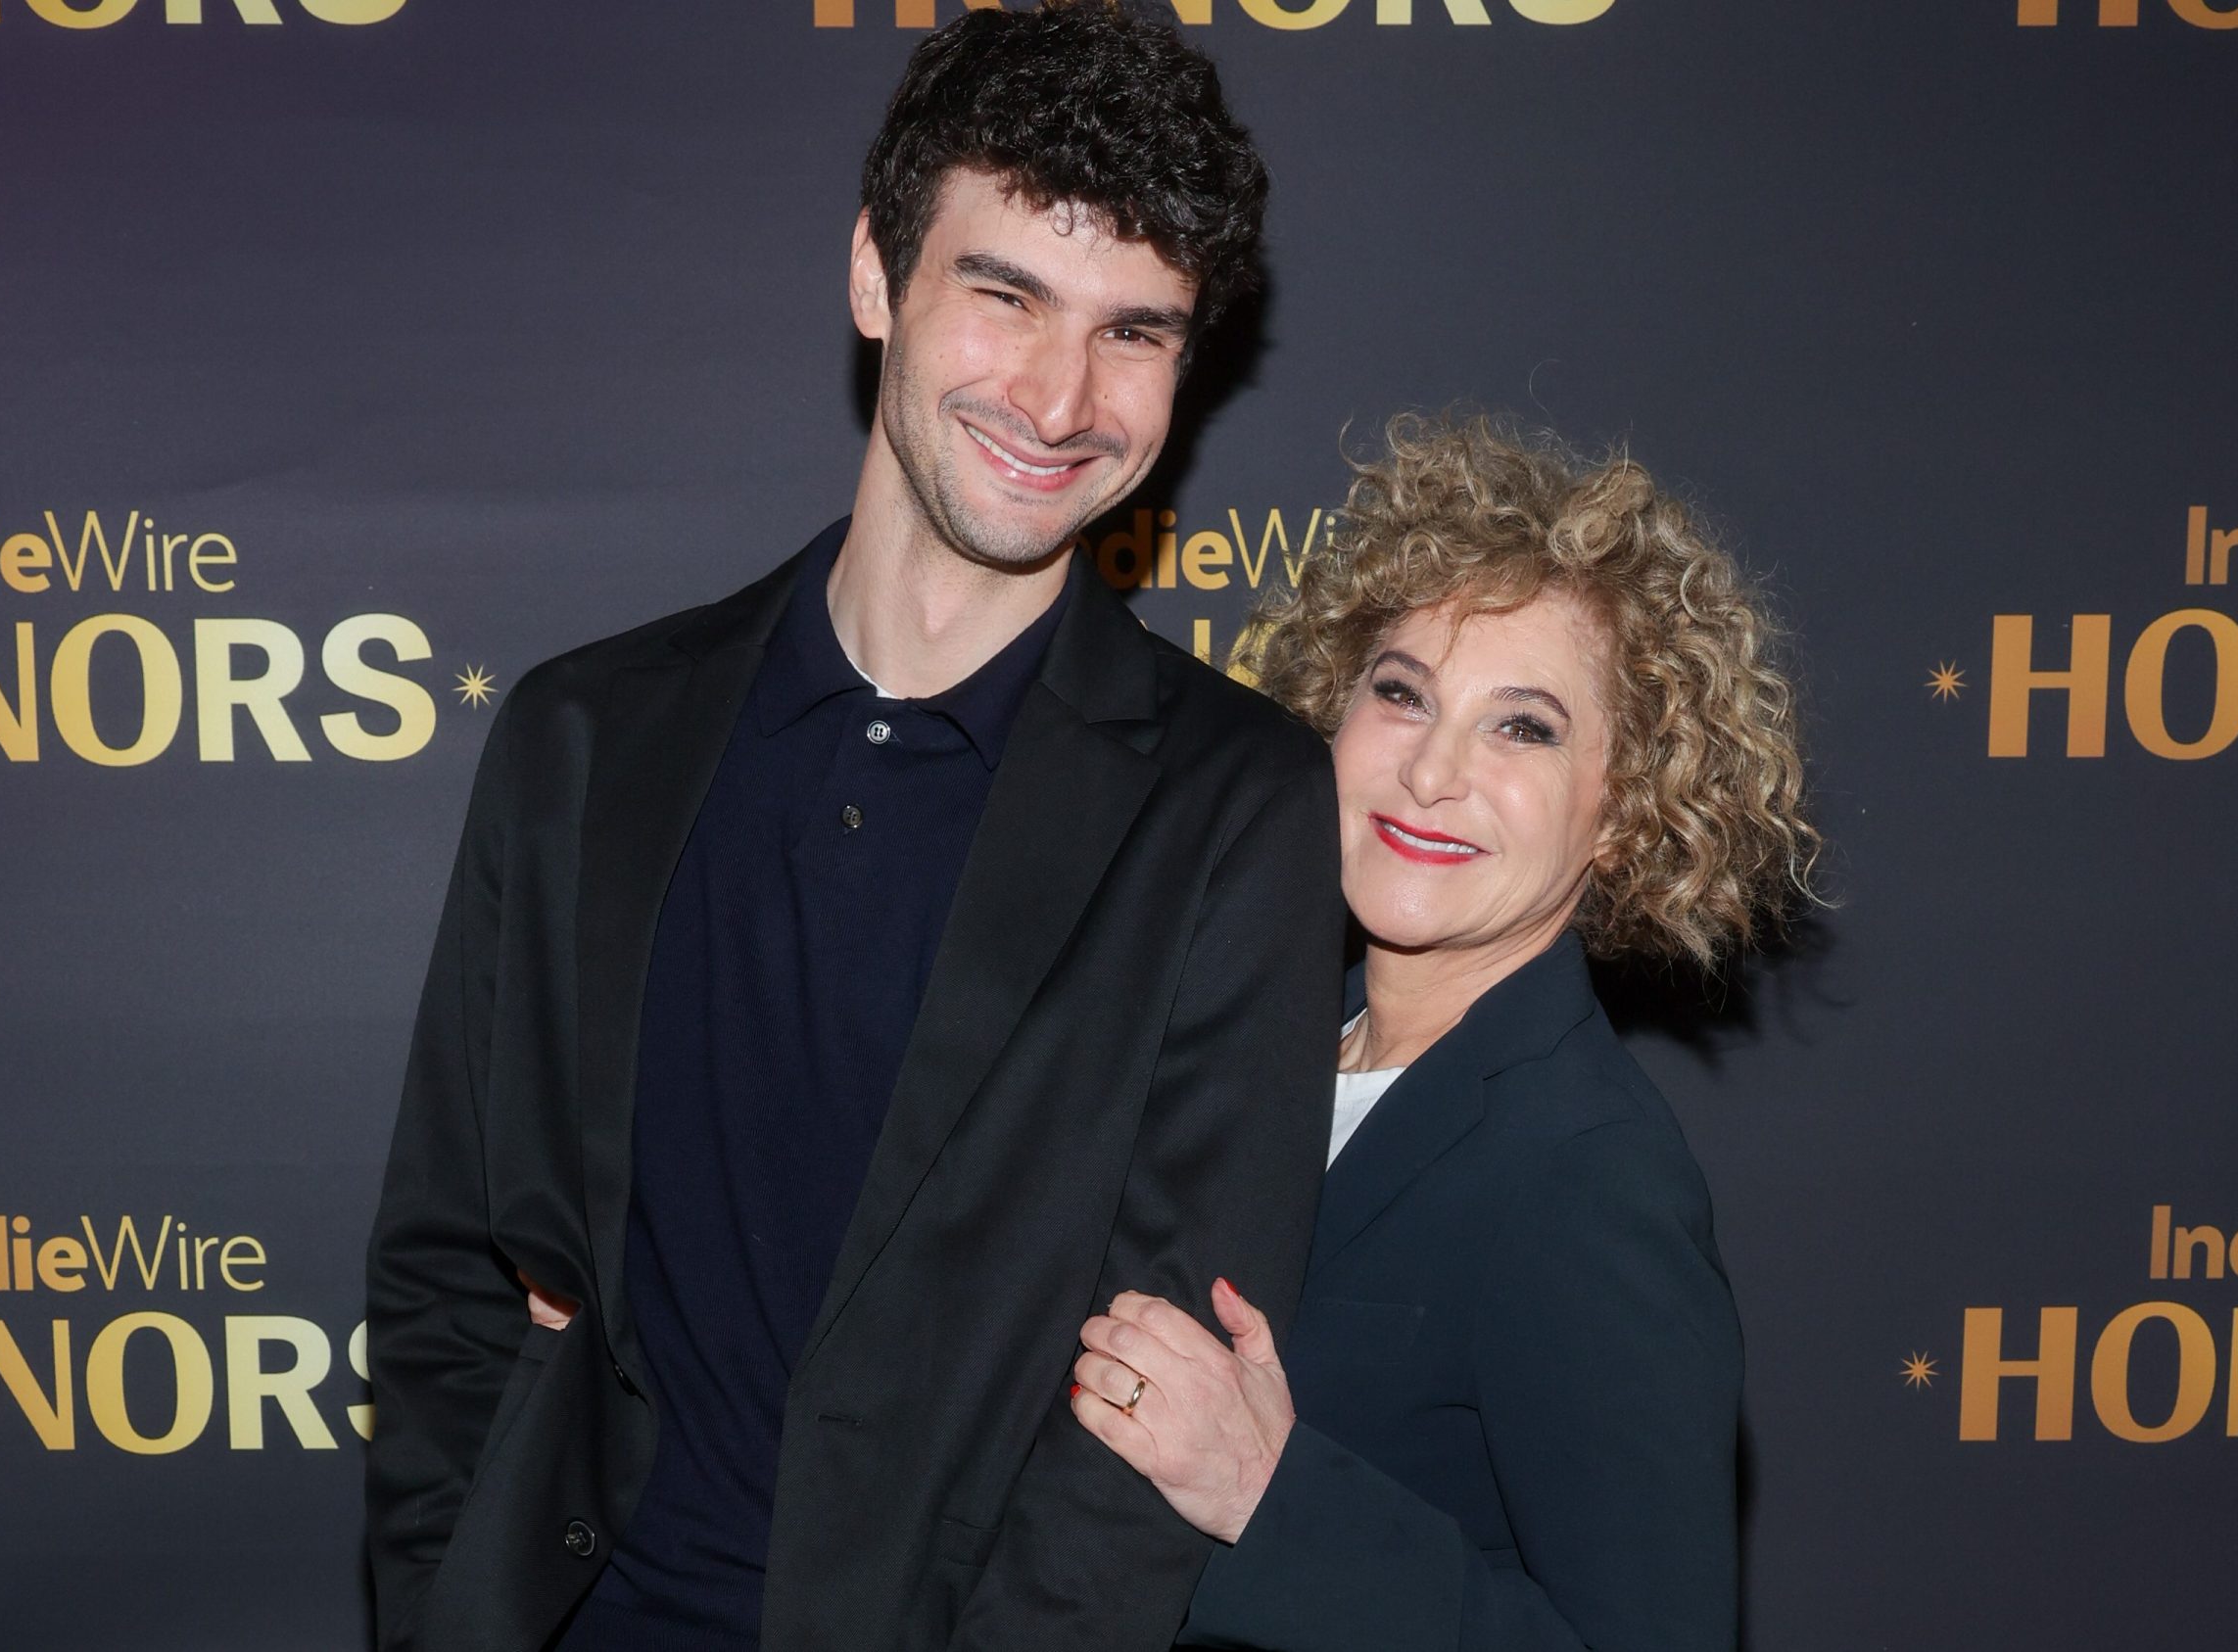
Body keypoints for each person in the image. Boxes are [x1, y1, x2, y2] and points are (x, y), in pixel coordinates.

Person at [361, 9, 1339, 1652]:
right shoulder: (586, 737)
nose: (1060, 395)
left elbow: (1140, 1439)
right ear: (879, 279)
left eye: (1137, 332)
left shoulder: (1231, 806)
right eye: (1005, 294)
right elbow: (449, 1269)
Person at [1068, 411, 1819, 1652]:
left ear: (1625, 813)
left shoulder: (1588, 1174)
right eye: (1403, 694)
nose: (1430, 772)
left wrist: (1272, 1496)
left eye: (1524, 726)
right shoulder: (1243, 1049)